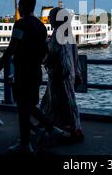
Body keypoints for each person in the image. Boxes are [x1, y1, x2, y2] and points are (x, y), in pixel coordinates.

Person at [0, 0, 55, 154]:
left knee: (22, 108)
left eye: (19, 3)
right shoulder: (41, 27)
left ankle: (27, 142)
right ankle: (46, 129)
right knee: (30, 106)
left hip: (22, 71)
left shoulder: (20, 25)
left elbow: (11, 49)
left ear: (23, 6)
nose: (18, 6)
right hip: (36, 71)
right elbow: (45, 51)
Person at [41, 7, 84, 143]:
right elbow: (74, 55)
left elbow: (58, 55)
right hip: (67, 73)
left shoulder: (59, 34)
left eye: (51, 17)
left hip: (60, 74)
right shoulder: (68, 33)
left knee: (63, 101)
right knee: (65, 101)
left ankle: (71, 129)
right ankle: (68, 127)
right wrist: (77, 72)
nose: (49, 20)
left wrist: (46, 59)